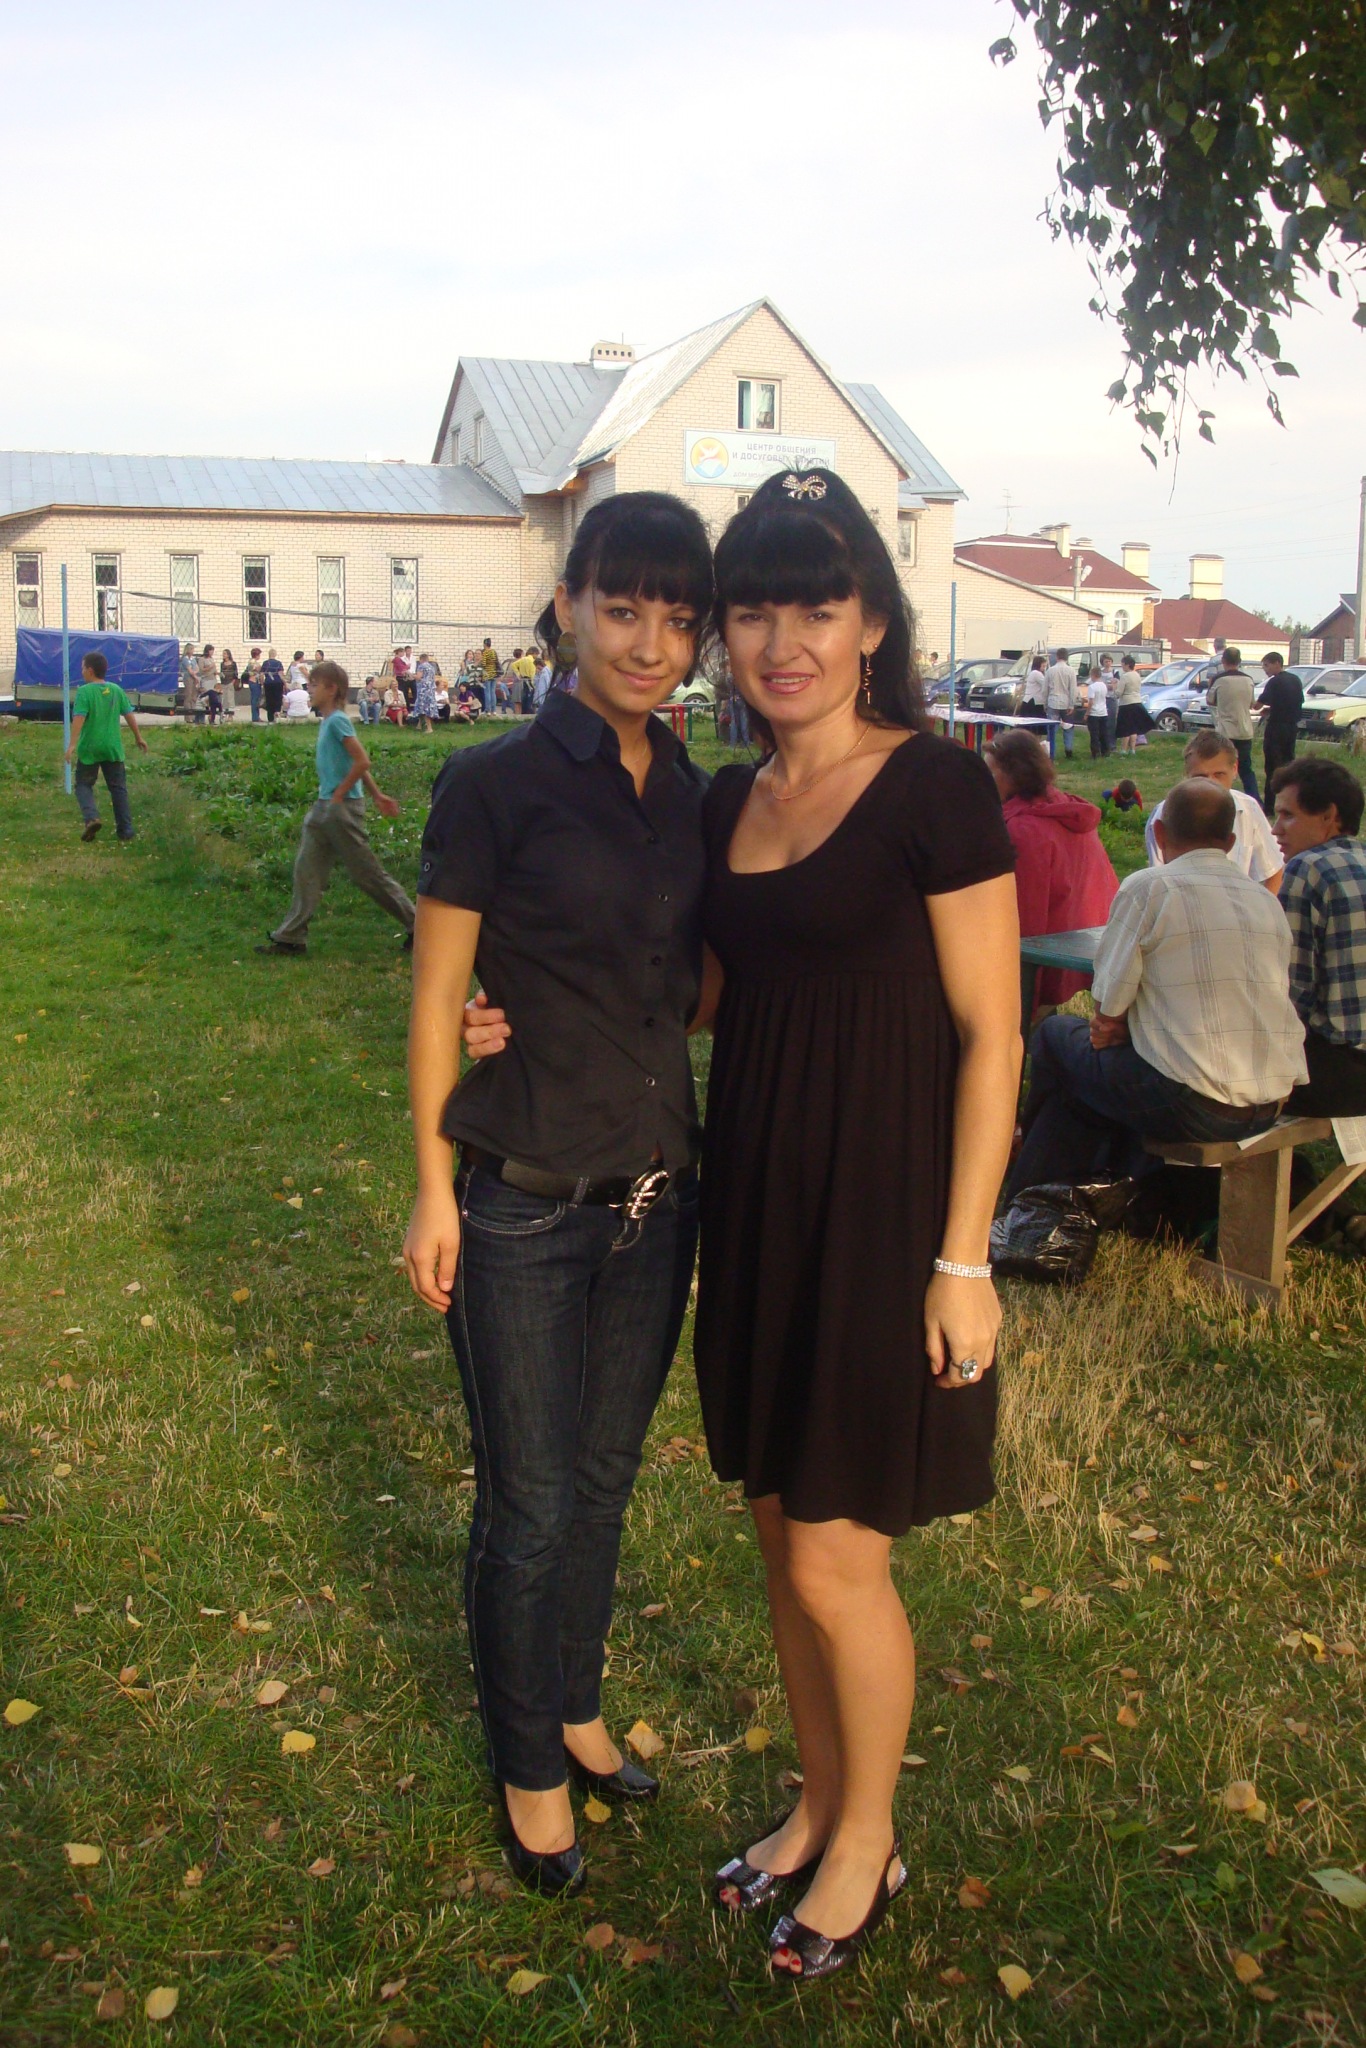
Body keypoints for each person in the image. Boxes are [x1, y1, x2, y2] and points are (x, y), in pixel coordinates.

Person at [697, 471, 1020, 1986]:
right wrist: (528, 1008)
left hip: (885, 1219)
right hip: (758, 1204)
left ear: (873, 624)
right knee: (779, 1538)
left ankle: (869, 1840)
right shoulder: (727, 800)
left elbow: (994, 1035)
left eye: (817, 607)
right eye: (754, 609)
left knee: (838, 1560)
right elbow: (715, 996)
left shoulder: (935, 789)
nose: (784, 641)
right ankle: (816, 1804)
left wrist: (964, 1259)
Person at [402, 493, 713, 1899]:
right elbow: (433, 998)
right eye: (623, 607)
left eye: (677, 618)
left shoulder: (696, 794)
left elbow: (691, 990)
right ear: (570, 602)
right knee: (526, 1507)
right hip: (521, 1204)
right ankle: (527, 1761)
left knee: (601, 1487)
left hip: (657, 1202)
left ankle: (578, 1707)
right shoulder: (493, 781)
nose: (648, 643)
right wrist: (433, 1189)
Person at [1007, 778, 1305, 1198]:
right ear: (1230, 841)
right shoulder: (1265, 901)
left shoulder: (1150, 887)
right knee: (1089, 1075)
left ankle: (1029, 1191)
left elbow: (1107, 1002)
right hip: (1270, 1100)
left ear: (1160, 833)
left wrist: (1116, 1025)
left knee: (1055, 1036)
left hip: (1194, 1103)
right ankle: (1067, 1192)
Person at [257, 661, 414, 957]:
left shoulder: (338, 721)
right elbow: (354, 763)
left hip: (340, 810)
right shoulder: (329, 721)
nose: (309, 689)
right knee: (307, 871)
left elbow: (362, 760)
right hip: (325, 807)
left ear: (332, 689)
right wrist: (377, 795)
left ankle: (419, 927)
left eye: (314, 685)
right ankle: (291, 937)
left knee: (367, 874)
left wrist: (340, 794)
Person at [984, 729, 1118, 1013]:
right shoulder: (1064, 808)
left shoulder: (1024, 829)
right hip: (1083, 936)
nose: (983, 781)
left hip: (1047, 951)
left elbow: (1024, 914)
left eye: (990, 772)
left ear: (1013, 775)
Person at [1270, 758, 1366, 1114]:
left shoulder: (1307, 868)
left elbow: (1291, 992)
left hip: (1341, 1071)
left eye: (1287, 816)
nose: (1275, 829)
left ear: (1328, 816)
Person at [1145, 730, 1282, 892]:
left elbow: (1273, 870)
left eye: (1219, 775)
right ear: (1187, 775)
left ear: (1234, 769)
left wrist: (1265, 906)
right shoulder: (1165, 814)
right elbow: (1161, 880)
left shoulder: (1249, 809)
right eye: (1201, 776)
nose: (1211, 783)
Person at [64, 651, 149, 842]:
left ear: (90, 670)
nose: (81, 671)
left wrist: (72, 745)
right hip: (112, 747)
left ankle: (91, 818)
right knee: (118, 789)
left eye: (83, 668)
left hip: (90, 748)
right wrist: (138, 737)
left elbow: (79, 718)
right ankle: (125, 831)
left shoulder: (84, 692)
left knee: (83, 785)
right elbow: (128, 714)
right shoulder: (116, 690)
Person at [1205, 646, 1259, 800]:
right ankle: (1255, 799)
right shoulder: (1248, 680)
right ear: (1239, 661)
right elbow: (1252, 703)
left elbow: (1210, 700)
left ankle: (1219, 797)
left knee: (1221, 767)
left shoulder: (1219, 680)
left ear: (1223, 661)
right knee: (1246, 769)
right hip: (1244, 730)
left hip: (1225, 731)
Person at [1260, 652, 1304, 799]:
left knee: (1272, 766)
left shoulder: (1274, 682)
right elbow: (1294, 702)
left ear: (1277, 663)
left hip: (1276, 728)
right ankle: (1289, 795)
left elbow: (1258, 704)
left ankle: (1270, 802)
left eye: (1267, 665)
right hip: (1291, 728)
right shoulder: (1295, 680)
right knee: (1288, 763)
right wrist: (1272, 708)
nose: (1265, 669)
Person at [1043, 647, 1078, 757]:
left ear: (1057, 657)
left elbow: (1045, 689)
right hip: (1066, 702)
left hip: (1053, 701)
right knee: (1068, 727)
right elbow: (1073, 689)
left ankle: (1050, 751)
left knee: (1051, 729)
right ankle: (1068, 749)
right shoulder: (1071, 671)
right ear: (1067, 657)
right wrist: (1072, 704)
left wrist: (1045, 703)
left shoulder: (1050, 670)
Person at [1114, 655, 1151, 752]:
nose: (1122, 666)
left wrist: (1114, 687)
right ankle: (1133, 749)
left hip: (1126, 704)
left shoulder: (1125, 676)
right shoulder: (1137, 675)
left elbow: (1119, 693)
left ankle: (1123, 750)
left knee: (1125, 729)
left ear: (1127, 665)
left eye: (1123, 664)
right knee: (1134, 728)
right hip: (1137, 702)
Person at [1084, 666, 1110, 757]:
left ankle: (1095, 751)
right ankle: (1105, 751)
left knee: (1094, 734)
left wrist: (1087, 713)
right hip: (1103, 711)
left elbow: (1091, 702)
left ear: (1093, 675)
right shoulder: (1104, 685)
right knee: (1104, 733)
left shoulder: (1092, 687)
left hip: (1094, 713)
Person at [1019, 652, 1048, 724]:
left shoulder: (1032, 673)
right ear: (1038, 665)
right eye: (1043, 666)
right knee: (1036, 723)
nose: (1044, 668)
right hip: (1033, 701)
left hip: (1030, 700)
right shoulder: (1036, 673)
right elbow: (1045, 684)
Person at [413, 652, 438, 733]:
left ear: (421, 659)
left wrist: (411, 675)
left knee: (424, 707)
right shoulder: (432, 667)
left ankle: (429, 728)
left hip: (423, 690)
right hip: (431, 689)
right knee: (424, 707)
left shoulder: (421, 666)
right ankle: (419, 725)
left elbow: (419, 677)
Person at [1100, 653, 1120, 754]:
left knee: (1112, 722)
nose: (1108, 663)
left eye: (1109, 661)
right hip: (1102, 699)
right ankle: (1103, 744)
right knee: (1103, 722)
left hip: (1111, 698)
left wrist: (1106, 685)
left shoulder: (1115, 672)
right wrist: (1107, 685)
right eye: (1106, 661)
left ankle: (1112, 744)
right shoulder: (1100, 672)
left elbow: (1114, 686)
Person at [261, 647, 286, 723]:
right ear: (275, 654)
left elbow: (261, 674)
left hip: (268, 683)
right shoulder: (278, 663)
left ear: (269, 654)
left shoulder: (265, 663)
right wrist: (285, 683)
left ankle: (270, 717)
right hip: (278, 683)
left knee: (269, 700)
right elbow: (281, 674)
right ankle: (277, 714)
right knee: (278, 699)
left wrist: (262, 683)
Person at [199, 645, 222, 724]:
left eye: (213, 651)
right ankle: (202, 717)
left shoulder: (211, 659)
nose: (212, 652)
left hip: (213, 679)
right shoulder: (202, 659)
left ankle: (212, 717)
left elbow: (214, 670)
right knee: (206, 698)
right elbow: (201, 670)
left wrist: (218, 673)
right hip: (206, 680)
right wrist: (210, 667)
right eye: (211, 650)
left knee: (213, 700)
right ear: (207, 651)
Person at [180, 642, 201, 722]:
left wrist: (195, 674)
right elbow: (189, 670)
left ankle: (193, 715)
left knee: (193, 697)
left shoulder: (193, 659)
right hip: (188, 678)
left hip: (194, 678)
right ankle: (188, 716)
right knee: (188, 696)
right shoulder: (185, 659)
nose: (193, 651)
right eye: (191, 649)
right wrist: (195, 676)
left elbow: (197, 668)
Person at [243, 648, 264, 722]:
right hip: (254, 682)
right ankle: (255, 717)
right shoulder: (253, 662)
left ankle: (256, 716)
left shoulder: (252, 662)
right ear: (256, 655)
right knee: (255, 699)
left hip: (254, 682)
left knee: (255, 699)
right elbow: (257, 670)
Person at [219, 647, 239, 719]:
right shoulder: (222, 664)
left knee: (230, 699)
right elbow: (221, 672)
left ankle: (230, 715)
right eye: (223, 654)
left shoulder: (233, 664)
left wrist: (233, 681)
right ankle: (224, 713)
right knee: (224, 699)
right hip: (223, 682)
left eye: (224, 654)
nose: (223, 655)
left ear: (228, 655)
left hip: (230, 682)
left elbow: (236, 673)